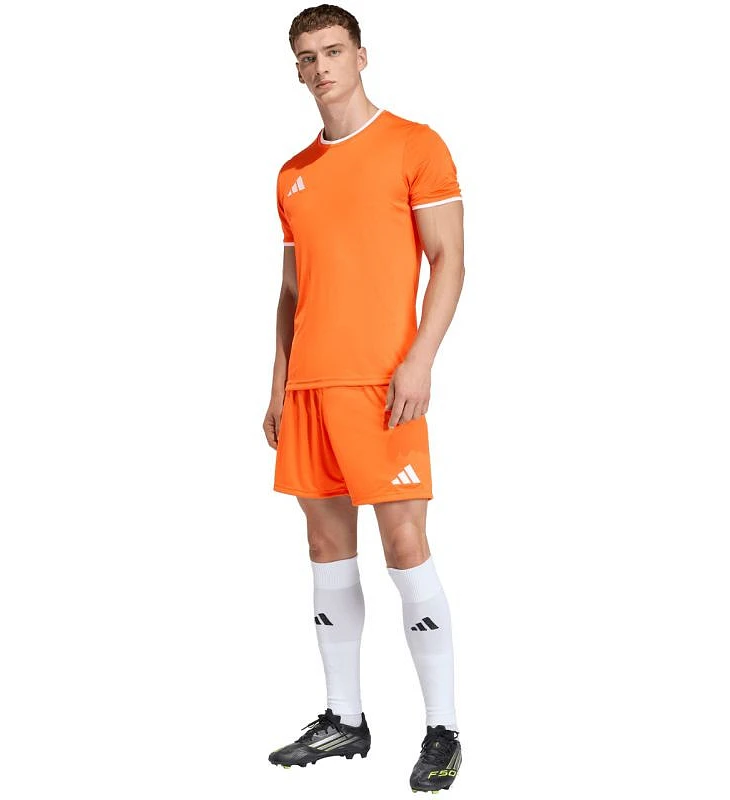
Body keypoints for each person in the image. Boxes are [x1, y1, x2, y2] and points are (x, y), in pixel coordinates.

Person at [262, 4, 465, 793]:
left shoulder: (415, 144)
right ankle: (344, 717)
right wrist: (278, 385)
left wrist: (419, 362)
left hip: (383, 386)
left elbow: (449, 260)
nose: (320, 67)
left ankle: (443, 728)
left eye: (333, 51)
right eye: (306, 57)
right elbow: (291, 291)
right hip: (310, 386)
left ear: (361, 56)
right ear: (297, 70)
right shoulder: (292, 172)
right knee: (324, 549)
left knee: (406, 545)